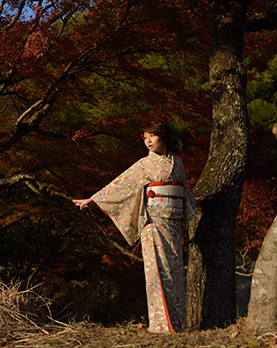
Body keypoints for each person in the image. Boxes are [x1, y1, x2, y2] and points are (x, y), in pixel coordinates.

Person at [73, 120, 197, 333]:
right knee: (156, 269)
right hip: (153, 222)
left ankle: (177, 323)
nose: (148, 141)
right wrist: (93, 200)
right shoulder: (144, 164)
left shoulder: (177, 162)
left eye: (152, 136)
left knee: (175, 271)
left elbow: (184, 189)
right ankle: (160, 324)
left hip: (174, 223)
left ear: (164, 136)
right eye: (145, 137)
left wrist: (194, 205)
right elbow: (120, 184)